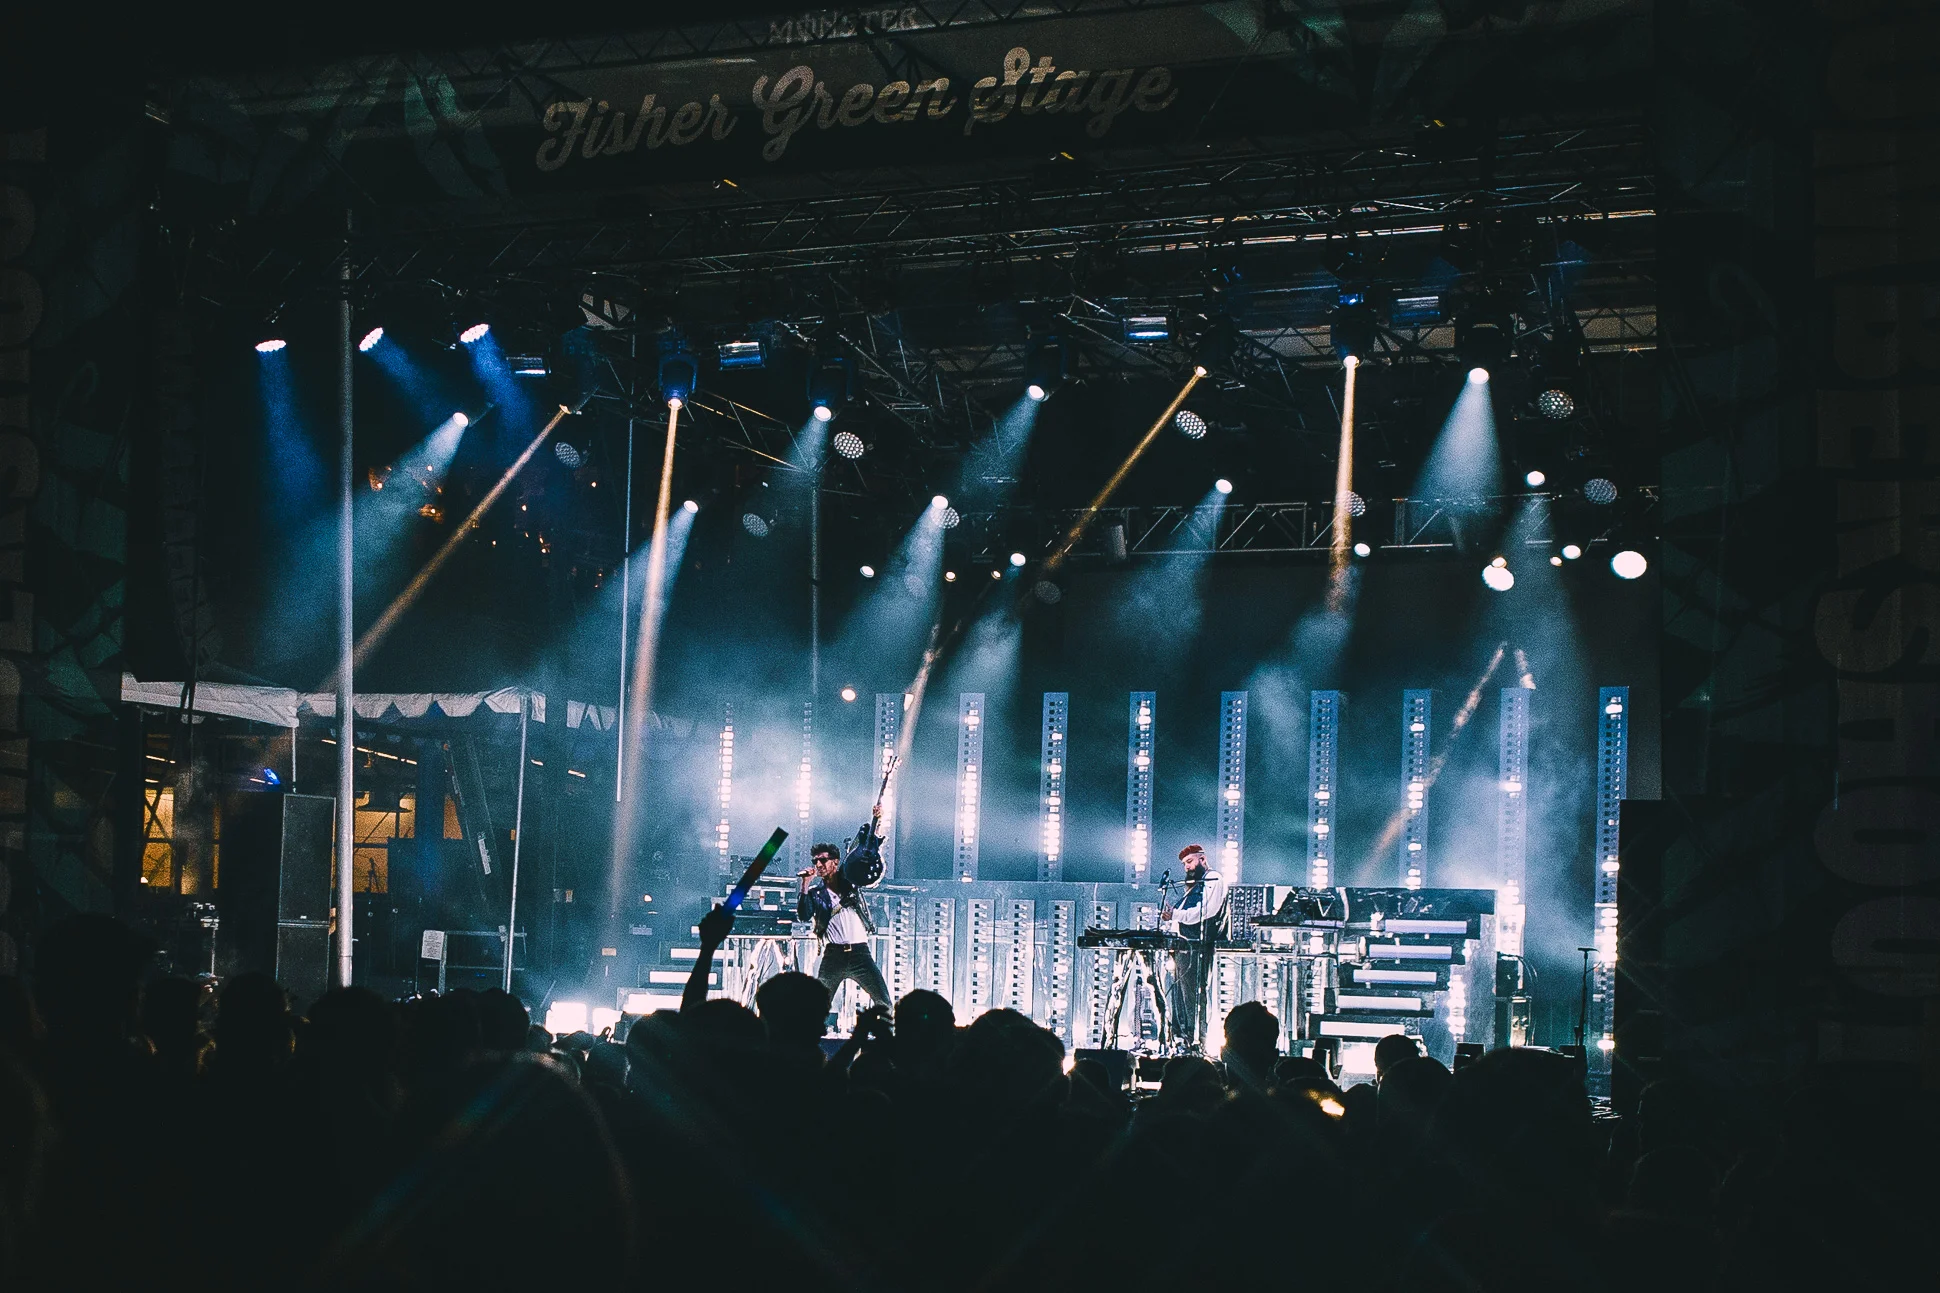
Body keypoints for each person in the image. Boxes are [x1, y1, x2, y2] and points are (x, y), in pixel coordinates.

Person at [798, 842, 891, 1016]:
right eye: (815, 861)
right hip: (834, 955)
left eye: (823, 860)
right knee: (818, 1006)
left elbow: (863, 853)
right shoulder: (815, 893)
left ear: (835, 862)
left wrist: (876, 821)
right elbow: (804, 915)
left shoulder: (850, 883)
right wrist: (804, 884)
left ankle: (887, 1039)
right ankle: (811, 1039)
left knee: (883, 1001)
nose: (818, 865)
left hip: (860, 953)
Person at [1159, 843, 1228, 1052]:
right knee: (1179, 995)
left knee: (1194, 994)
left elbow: (1206, 911)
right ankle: (1183, 1039)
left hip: (1197, 946)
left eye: (1190, 862)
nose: (1187, 868)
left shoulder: (1214, 879)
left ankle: (1197, 1041)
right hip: (1183, 945)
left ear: (1202, 859)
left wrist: (1176, 915)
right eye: (1184, 864)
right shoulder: (1196, 884)